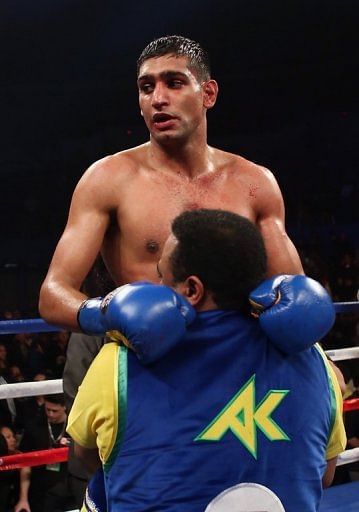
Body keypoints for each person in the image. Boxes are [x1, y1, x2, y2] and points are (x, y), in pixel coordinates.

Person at [67, 209, 346, 512]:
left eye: (162, 276)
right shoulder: (315, 360)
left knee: (99, 494)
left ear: (191, 289)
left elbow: (86, 455)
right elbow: (325, 474)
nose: (156, 287)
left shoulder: (121, 361)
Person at [39, 34, 303, 332]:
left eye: (174, 83)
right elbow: (53, 294)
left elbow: (295, 297)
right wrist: (108, 314)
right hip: (149, 361)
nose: (158, 99)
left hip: (235, 357)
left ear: (209, 94)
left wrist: (322, 356)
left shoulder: (254, 182)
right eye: (146, 88)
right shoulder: (108, 179)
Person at [15, 394, 76, 512]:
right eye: (47, 409)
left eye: (55, 410)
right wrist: (23, 498)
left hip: (70, 490)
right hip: (41, 491)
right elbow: (26, 464)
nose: (50, 414)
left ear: (64, 407)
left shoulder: (74, 425)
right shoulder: (34, 426)